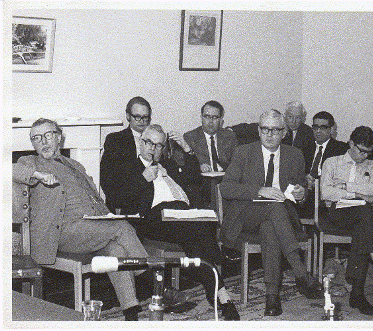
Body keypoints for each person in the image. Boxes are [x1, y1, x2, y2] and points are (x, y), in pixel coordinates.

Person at [13, 118, 149, 321]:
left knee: (116, 250)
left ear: (59, 137)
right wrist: (38, 175)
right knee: (122, 228)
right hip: (60, 232)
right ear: (33, 143)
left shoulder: (75, 164)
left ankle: (131, 311)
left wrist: (107, 216)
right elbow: (9, 169)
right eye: (37, 138)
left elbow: (94, 197)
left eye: (48, 135)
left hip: (88, 228)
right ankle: (150, 278)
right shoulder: (30, 162)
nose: (43, 141)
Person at [102, 123, 240, 320]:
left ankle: (219, 294)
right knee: (199, 229)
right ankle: (221, 292)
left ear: (163, 148)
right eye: (148, 142)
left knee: (197, 230)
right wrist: (143, 178)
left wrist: (187, 149)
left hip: (182, 216)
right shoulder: (129, 167)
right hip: (153, 218)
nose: (153, 148)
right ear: (140, 142)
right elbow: (118, 199)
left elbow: (195, 179)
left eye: (158, 145)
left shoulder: (168, 165)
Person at [220, 109, 323, 317]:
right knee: (274, 206)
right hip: (247, 215)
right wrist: (259, 190)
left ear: (284, 132)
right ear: (258, 131)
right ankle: (301, 272)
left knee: (270, 228)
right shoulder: (243, 152)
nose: (269, 135)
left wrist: (302, 193)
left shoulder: (295, 155)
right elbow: (226, 188)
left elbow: (300, 190)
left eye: (275, 130)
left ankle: (272, 296)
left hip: (279, 219)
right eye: (265, 129)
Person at [320, 126, 373, 316]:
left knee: (364, 220)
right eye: (361, 150)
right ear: (351, 144)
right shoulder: (332, 162)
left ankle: (357, 292)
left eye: (369, 151)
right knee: (366, 212)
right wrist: (357, 192)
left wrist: (345, 186)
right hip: (338, 213)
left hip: (362, 218)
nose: (365, 156)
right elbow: (326, 192)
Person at [100, 96, 153, 213]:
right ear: (128, 116)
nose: (142, 121)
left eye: (145, 117)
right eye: (137, 117)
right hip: (126, 203)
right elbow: (107, 180)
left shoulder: (156, 139)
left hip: (152, 202)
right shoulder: (115, 140)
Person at [298, 111, 348, 218]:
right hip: (306, 193)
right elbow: (298, 172)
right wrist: (305, 179)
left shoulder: (341, 149)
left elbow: (341, 177)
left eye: (323, 127)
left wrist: (318, 181)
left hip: (325, 195)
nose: (318, 131)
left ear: (331, 129)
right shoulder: (305, 149)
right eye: (315, 127)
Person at [184, 100, 238, 173]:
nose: (210, 121)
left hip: (225, 179)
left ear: (221, 120)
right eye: (207, 116)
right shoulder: (190, 137)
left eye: (215, 117)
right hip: (203, 180)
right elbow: (185, 165)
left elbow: (236, 163)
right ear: (201, 117)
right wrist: (198, 167)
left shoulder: (229, 136)